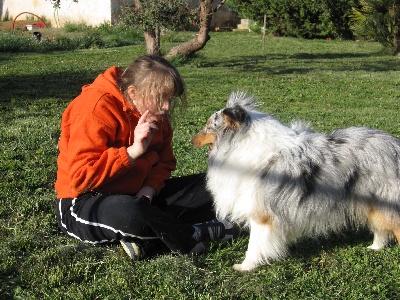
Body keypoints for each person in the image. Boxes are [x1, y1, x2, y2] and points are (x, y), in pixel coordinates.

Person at [55, 54, 232, 260]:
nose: (166, 106)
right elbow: (80, 178)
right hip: (86, 201)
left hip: (140, 195)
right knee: (132, 213)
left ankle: (148, 238)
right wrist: (131, 152)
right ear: (133, 92)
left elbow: (164, 162)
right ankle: (194, 234)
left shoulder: (156, 114)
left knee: (216, 184)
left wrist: (149, 190)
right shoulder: (95, 108)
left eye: (170, 99)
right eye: (160, 98)